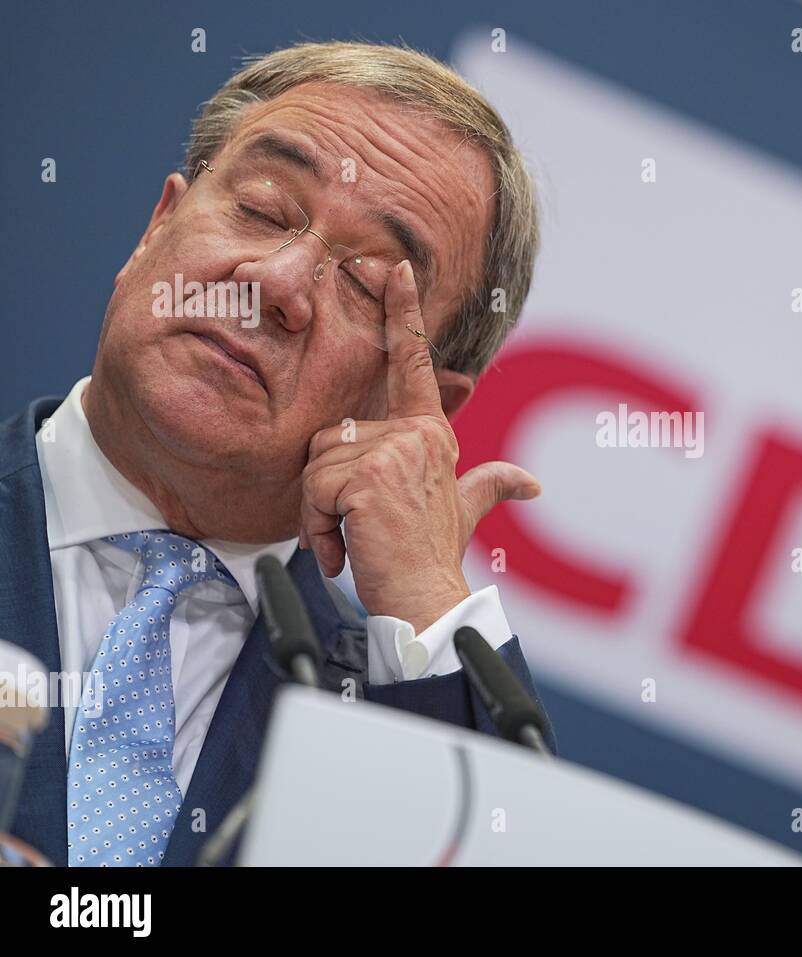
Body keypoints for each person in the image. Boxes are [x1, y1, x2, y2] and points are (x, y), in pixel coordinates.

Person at [0, 40, 551, 866]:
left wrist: (430, 608)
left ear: (420, 410)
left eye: (367, 284)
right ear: (157, 229)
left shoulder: (378, 726)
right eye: (259, 208)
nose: (277, 282)